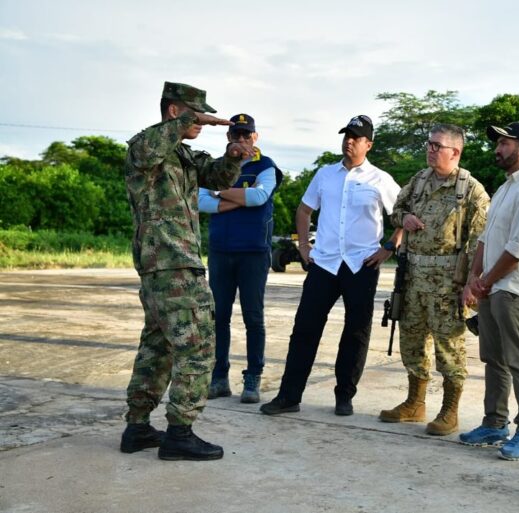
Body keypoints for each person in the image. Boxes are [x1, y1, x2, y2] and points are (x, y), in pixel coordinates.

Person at [121, 81, 253, 461]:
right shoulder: (146, 146)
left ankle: (138, 426)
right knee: (197, 348)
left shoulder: (182, 155)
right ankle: (180, 431)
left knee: (157, 348)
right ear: (174, 111)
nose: (203, 121)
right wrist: (189, 123)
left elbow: (216, 178)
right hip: (170, 264)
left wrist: (234, 155)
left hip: (171, 266)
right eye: (196, 113)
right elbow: (147, 148)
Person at [260, 115, 401, 417]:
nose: (349, 141)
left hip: (360, 264)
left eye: (356, 137)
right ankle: (288, 396)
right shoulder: (325, 174)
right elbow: (304, 209)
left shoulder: (380, 179)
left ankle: (344, 396)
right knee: (305, 329)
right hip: (323, 263)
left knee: (356, 331)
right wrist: (302, 247)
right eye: (346, 135)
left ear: (368, 144)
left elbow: (403, 216)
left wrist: (388, 248)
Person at [379, 124, 489, 436]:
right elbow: (396, 211)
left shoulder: (471, 190)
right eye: (429, 144)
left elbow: (478, 240)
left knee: (449, 346)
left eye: (437, 146)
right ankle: (415, 403)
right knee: (412, 340)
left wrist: (470, 283)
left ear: (455, 152)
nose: (430, 149)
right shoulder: (418, 181)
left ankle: (449, 411)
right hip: (412, 277)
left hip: (447, 282)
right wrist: (405, 220)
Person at [458, 123, 519, 460]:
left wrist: (486, 281)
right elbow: (485, 238)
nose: (497, 149)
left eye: (503, 142)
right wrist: (473, 277)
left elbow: (518, 249)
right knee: (494, 359)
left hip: (513, 290)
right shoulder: (505, 188)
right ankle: (495, 423)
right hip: (493, 288)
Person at [200, 113, 283, 404]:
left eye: (247, 135)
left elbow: (259, 198)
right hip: (221, 251)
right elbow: (200, 200)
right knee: (218, 317)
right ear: (228, 138)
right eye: (236, 135)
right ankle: (219, 377)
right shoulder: (215, 168)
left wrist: (219, 193)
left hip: (253, 253)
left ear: (255, 138)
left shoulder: (266, 166)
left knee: (253, 317)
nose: (242, 141)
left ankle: (253, 378)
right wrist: (237, 197)